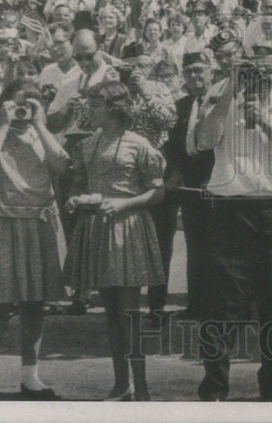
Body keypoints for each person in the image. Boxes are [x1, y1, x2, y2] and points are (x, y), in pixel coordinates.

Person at [193, 46, 272, 401]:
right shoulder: (220, 101)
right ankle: (214, 388)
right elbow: (203, 140)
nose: (260, 78)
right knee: (221, 309)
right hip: (232, 213)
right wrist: (231, 87)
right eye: (252, 71)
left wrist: (264, 120)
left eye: (267, 72)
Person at [64, 81, 166, 402]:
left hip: (129, 227)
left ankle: (142, 387)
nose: (90, 111)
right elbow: (80, 183)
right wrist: (75, 200)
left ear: (115, 108)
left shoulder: (139, 144)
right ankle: (122, 385)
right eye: (90, 105)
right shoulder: (88, 143)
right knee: (109, 311)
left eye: (96, 105)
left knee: (129, 313)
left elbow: (158, 191)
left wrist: (125, 203)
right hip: (97, 228)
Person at [0, 79, 69, 400]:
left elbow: (61, 164)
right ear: (3, 104)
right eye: (17, 103)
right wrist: (2, 125)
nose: (24, 109)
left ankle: (30, 376)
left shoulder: (43, 134)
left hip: (38, 222)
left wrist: (41, 125)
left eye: (32, 103)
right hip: (1, 223)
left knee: (35, 306)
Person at [148, 51, 216, 319]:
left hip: (217, 180)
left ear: (211, 71)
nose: (194, 76)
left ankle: (217, 306)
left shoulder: (220, 101)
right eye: (188, 72)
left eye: (200, 70)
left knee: (217, 245)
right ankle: (196, 305)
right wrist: (175, 171)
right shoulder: (182, 105)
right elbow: (175, 144)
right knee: (195, 243)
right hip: (189, 181)